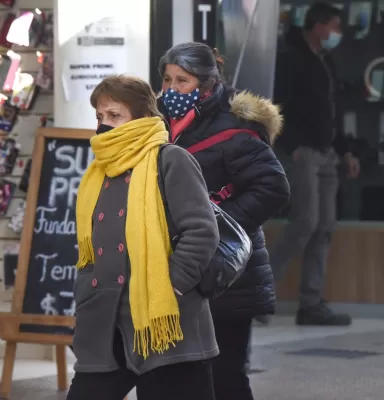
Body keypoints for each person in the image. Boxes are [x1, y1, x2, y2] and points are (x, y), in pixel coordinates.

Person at [68, 75, 220, 400]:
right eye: (99, 117)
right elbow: (90, 250)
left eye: (115, 115)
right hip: (108, 325)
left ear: (140, 117)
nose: (104, 126)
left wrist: (170, 289)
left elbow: (201, 232)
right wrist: (85, 292)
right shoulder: (99, 172)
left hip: (165, 324)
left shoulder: (170, 160)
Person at [158, 42, 290, 400]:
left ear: (206, 84)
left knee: (226, 376)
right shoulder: (160, 126)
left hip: (226, 272)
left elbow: (273, 188)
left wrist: (215, 224)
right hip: (180, 267)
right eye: (167, 80)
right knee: (183, 377)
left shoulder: (234, 129)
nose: (171, 90)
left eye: (182, 81)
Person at [270, 1, 358, 326]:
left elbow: (332, 112)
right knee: (304, 223)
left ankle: (311, 302)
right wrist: (291, 147)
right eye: (334, 25)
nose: (337, 33)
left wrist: (346, 152)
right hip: (303, 152)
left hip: (327, 154)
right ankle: (256, 291)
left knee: (324, 228)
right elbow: (275, 108)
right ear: (318, 25)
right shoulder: (291, 58)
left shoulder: (326, 62)